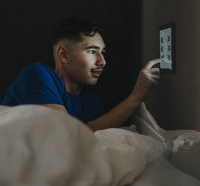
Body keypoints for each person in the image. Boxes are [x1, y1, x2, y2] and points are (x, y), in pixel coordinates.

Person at [2, 17, 160, 131]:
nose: (102, 61)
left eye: (102, 53)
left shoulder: (93, 104)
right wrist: (135, 97)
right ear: (63, 55)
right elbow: (65, 133)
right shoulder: (37, 75)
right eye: (92, 51)